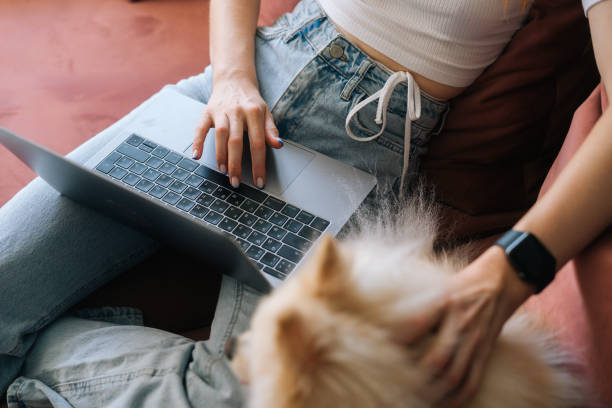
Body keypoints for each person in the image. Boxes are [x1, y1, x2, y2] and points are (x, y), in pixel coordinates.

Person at [0, 0, 610, 406]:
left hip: (362, 144)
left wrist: (511, 270)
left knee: (248, 395)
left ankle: (33, 356)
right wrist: (233, 78)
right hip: (242, 88)